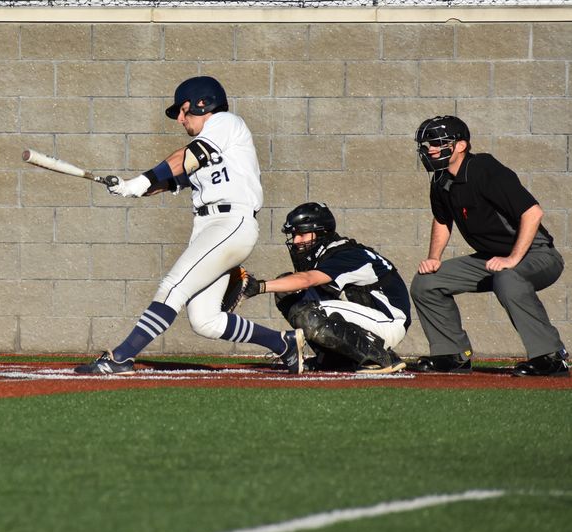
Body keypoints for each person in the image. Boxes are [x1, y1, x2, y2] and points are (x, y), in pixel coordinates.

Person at [75, 76, 305, 375]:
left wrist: (141, 179)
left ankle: (121, 357)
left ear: (203, 103)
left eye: (184, 111)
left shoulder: (225, 123)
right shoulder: (209, 147)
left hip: (231, 222)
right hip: (209, 226)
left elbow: (186, 157)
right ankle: (283, 343)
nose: (180, 119)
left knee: (172, 288)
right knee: (205, 321)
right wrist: (127, 186)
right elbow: (170, 179)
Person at [410, 115, 568, 377]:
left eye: (437, 143)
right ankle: (454, 356)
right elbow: (441, 220)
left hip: (537, 253)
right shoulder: (440, 180)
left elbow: (533, 213)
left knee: (508, 278)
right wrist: (433, 257)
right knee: (426, 282)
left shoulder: (485, 169)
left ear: (461, 145)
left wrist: (513, 259)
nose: (431, 150)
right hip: (490, 258)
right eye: (427, 145)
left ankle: (550, 357)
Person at [240, 202, 410, 374]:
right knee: (286, 289)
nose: (297, 240)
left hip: (388, 322)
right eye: (295, 235)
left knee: (307, 313)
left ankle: (380, 357)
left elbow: (307, 279)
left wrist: (260, 286)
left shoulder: (346, 254)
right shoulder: (328, 254)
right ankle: (332, 358)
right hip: (368, 316)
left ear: (321, 233)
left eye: (302, 234)